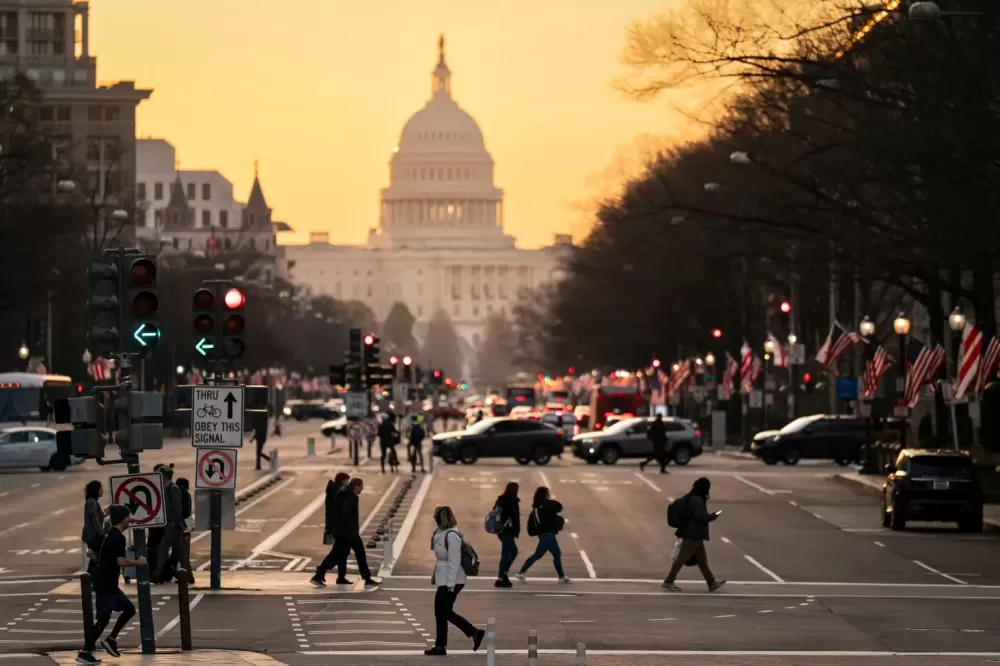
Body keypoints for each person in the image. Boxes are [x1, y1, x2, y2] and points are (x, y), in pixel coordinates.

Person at [76, 505, 146, 665]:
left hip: (108, 584)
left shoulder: (109, 535)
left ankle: (111, 639)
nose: (130, 519)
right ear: (123, 519)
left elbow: (94, 553)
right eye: (128, 517)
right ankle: (86, 651)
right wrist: (138, 562)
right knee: (103, 619)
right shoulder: (118, 538)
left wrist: (102, 562)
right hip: (106, 585)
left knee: (128, 609)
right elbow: (121, 561)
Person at [425, 505, 485, 656]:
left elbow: (454, 562)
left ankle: (472, 633)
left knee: (442, 611)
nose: (434, 519)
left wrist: (450, 585)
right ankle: (443, 644)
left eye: (435, 516)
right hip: (444, 578)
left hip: (452, 579)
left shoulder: (452, 535)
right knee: (442, 612)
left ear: (441, 518)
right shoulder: (440, 532)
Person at [661, 477, 726, 592]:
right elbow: (701, 517)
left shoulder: (692, 497)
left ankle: (711, 583)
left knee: (702, 560)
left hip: (695, 534)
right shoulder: (696, 500)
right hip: (692, 534)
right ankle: (668, 581)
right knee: (681, 559)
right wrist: (713, 516)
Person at [514, 487, 571, 584]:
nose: (549, 495)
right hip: (547, 534)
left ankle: (562, 577)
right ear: (545, 495)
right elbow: (559, 507)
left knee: (556, 554)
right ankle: (520, 572)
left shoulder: (536, 508)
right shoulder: (549, 505)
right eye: (548, 493)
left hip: (546, 534)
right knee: (538, 554)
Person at [333, 478, 381, 589]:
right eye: (361, 486)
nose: (362, 489)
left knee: (341, 555)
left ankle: (340, 577)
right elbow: (345, 513)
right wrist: (351, 528)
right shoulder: (351, 497)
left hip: (345, 532)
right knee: (359, 554)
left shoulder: (347, 494)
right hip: (349, 533)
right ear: (356, 486)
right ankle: (367, 578)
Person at [152, 465, 194, 585]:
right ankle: (189, 576)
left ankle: (156, 574)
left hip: (174, 525)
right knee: (181, 553)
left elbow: (177, 508)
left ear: (164, 476)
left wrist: (173, 521)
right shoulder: (166, 488)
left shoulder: (173, 488)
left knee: (163, 548)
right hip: (172, 525)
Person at [311, 472, 352, 586]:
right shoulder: (337, 493)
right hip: (338, 527)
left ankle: (341, 577)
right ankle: (320, 572)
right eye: (347, 481)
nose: (348, 483)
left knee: (343, 552)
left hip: (338, 526)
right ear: (343, 481)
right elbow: (335, 512)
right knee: (337, 552)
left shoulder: (336, 491)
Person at [493, 482, 520, 588]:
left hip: (501, 530)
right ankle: (502, 575)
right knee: (512, 552)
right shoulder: (511, 501)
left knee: (506, 553)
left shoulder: (501, 499)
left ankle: (503, 575)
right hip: (507, 530)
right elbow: (512, 516)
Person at [82, 480, 107, 580]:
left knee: (96, 559)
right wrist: (102, 532)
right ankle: (92, 578)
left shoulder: (93, 502)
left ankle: (90, 579)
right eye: (101, 489)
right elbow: (94, 519)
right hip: (93, 534)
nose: (102, 491)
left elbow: (97, 517)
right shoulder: (91, 502)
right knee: (100, 556)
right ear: (96, 490)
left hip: (93, 534)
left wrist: (106, 514)